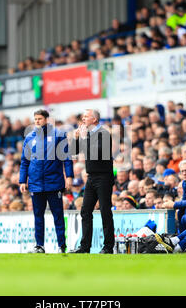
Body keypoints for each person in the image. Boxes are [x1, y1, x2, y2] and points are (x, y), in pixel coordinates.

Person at [19, 109, 73, 253]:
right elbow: (25, 161)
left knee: (58, 215)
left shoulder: (58, 135)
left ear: (47, 120)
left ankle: (62, 245)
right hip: (36, 183)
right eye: (35, 119)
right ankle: (39, 245)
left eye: (40, 119)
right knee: (38, 216)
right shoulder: (29, 137)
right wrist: (22, 180)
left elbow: (66, 158)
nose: (37, 121)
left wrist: (69, 177)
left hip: (54, 182)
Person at [70, 109, 115, 254]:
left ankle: (108, 247)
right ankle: (85, 247)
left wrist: (83, 138)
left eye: (86, 116)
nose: (83, 118)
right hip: (91, 177)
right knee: (85, 211)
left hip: (104, 177)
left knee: (105, 211)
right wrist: (77, 138)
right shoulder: (87, 135)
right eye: (82, 116)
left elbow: (98, 153)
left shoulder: (104, 133)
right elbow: (74, 151)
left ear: (94, 119)